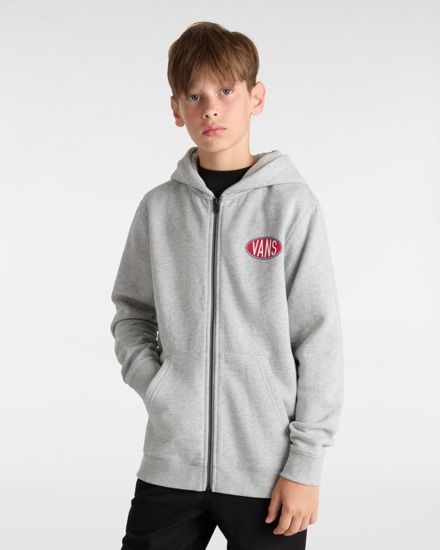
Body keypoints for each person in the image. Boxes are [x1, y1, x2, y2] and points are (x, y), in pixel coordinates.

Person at [110, 20, 344, 550]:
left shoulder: (291, 206)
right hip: (171, 463)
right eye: (194, 96)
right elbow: (132, 312)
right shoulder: (158, 209)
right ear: (176, 109)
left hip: (269, 472)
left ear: (256, 98)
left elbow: (319, 337)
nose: (210, 109)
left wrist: (306, 465)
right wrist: (158, 386)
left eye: (226, 91)